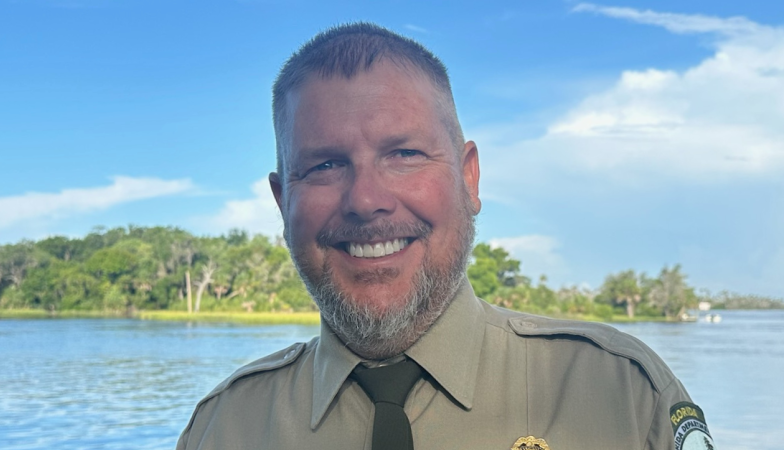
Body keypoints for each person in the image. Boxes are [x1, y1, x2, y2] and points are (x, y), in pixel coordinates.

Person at [177, 23, 715, 450]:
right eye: (324, 165)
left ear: (469, 178)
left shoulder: (621, 397)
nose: (366, 200)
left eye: (405, 154)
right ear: (282, 200)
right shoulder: (222, 430)